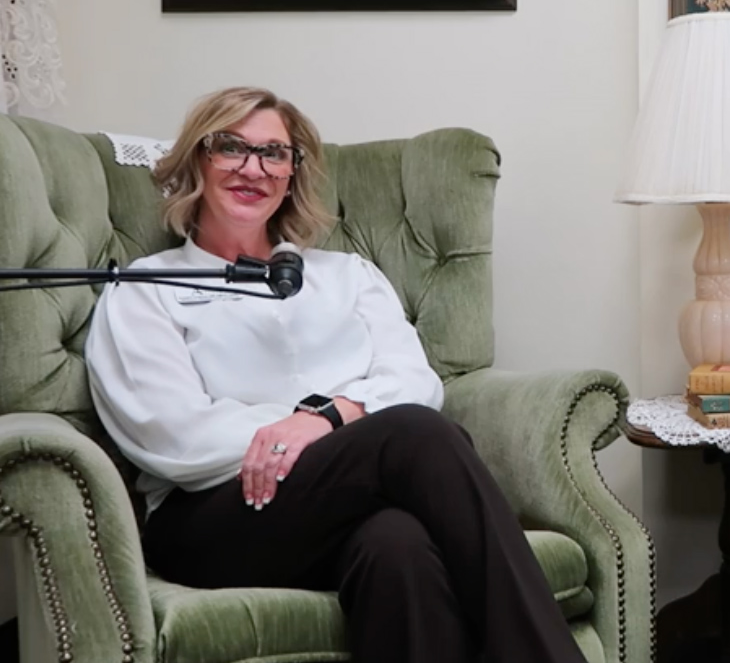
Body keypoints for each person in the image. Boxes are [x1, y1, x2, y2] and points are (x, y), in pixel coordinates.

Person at [85, 86, 586, 663]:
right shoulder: (148, 288)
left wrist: (325, 420)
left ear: (293, 173)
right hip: (211, 518)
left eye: (275, 153)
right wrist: (310, 432)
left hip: (342, 507)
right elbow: (173, 431)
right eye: (232, 148)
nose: (255, 168)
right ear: (199, 158)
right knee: (414, 435)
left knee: (397, 545)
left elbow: (415, 382)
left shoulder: (348, 275)